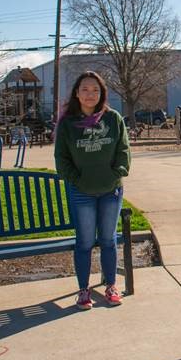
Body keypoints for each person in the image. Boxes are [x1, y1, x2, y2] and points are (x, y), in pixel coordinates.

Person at [54, 71, 131, 310]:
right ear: (77, 93)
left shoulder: (113, 119)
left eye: (95, 90)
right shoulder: (68, 124)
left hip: (111, 191)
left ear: (102, 94)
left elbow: (123, 151)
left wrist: (115, 173)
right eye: (85, 89)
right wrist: (77, 179)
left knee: (108, 240)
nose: (90, 94)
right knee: (85, 242)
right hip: (81, 192)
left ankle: (110, 287)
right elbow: (61, 159)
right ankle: (84, 290)